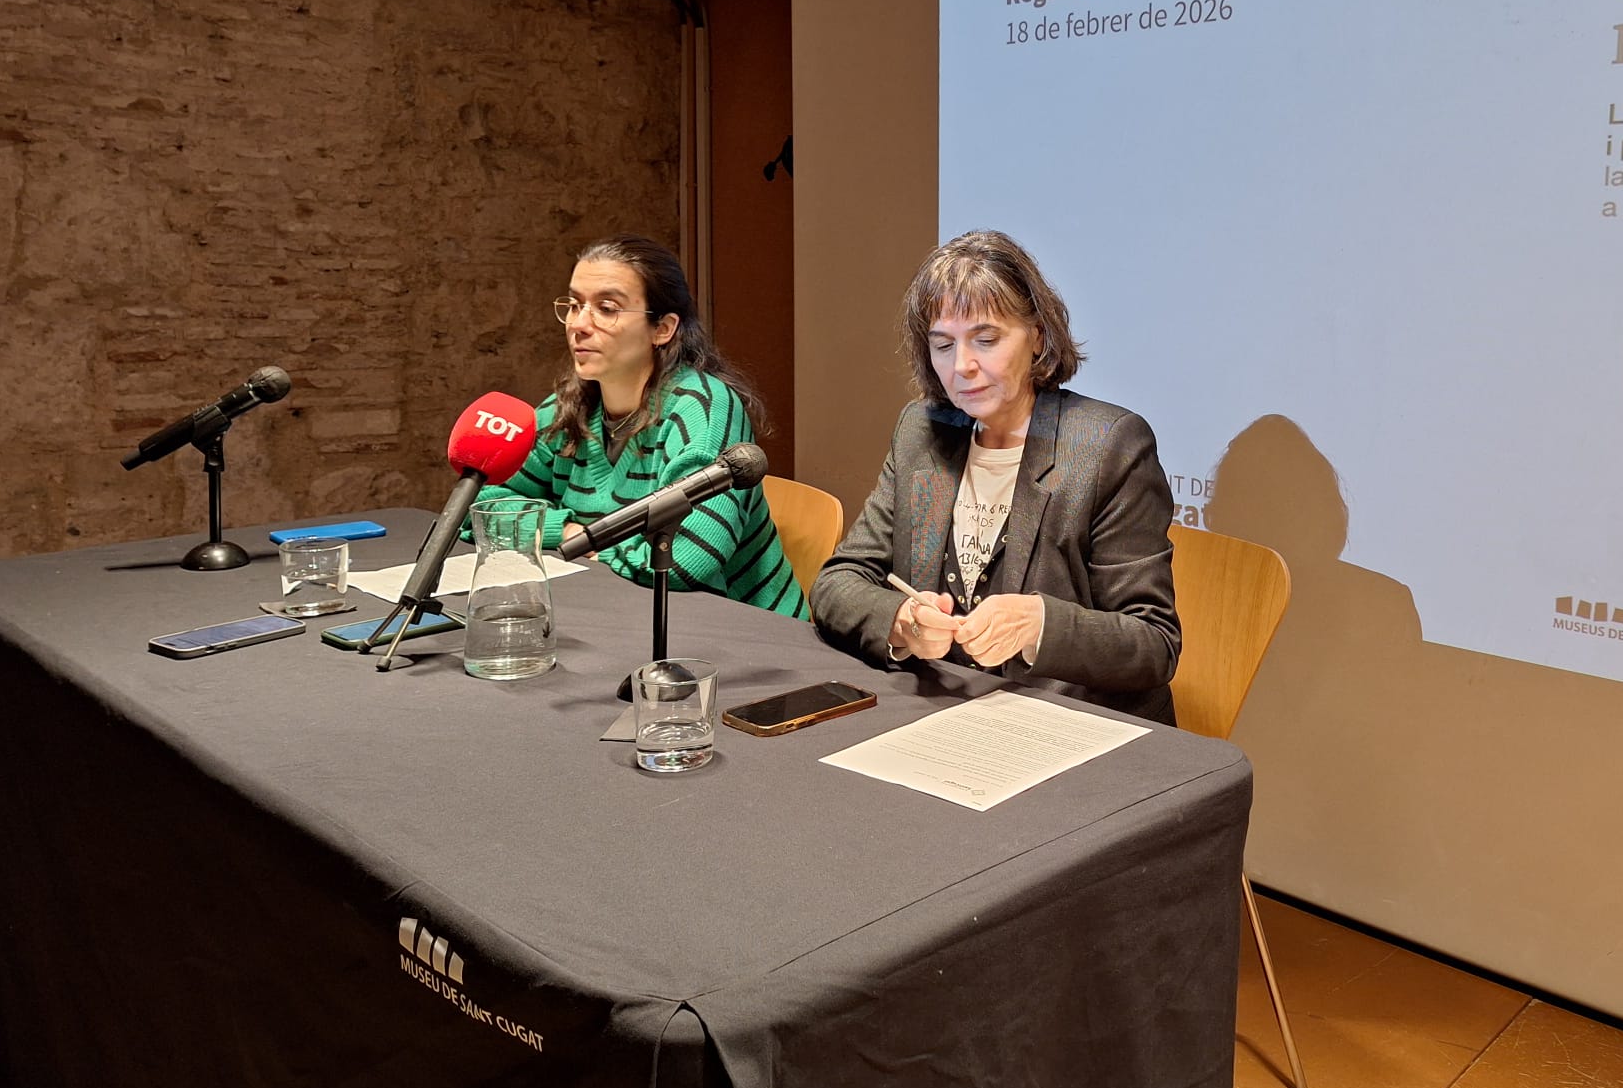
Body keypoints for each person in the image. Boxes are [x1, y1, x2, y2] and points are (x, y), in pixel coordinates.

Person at [811, 230, 1180, 721]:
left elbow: (1154, 643)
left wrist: (1039, 625)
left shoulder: (1110, 445)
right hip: (946, 716)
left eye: (986, 340)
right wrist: (901, 622)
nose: (962, 366)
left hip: (1071, 728)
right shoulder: (921, 431)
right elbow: (839, 582)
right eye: (943, 345)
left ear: (1039, 338)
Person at [473, 235, 806, 618]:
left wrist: (585, 544)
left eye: (606, 308)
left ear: (662, 328)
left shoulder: (704, 410)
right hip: (623, 612)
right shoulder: (569, 409)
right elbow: (482, 509)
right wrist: (569, 534)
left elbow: (685, 561)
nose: (579, 324)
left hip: (745, 636)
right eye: (574, 304)